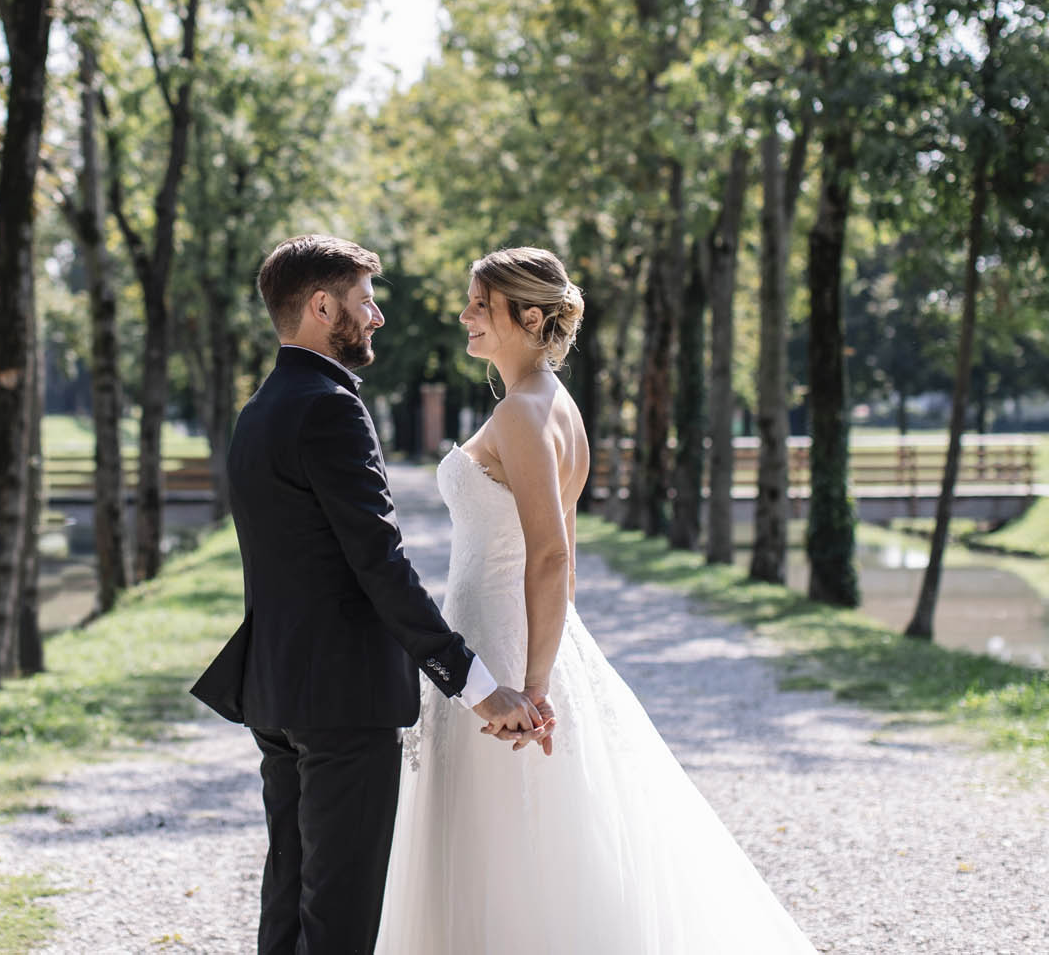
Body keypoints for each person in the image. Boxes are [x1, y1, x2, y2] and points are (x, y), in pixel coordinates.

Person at [375, 246, 817, 952]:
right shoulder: (556, 404)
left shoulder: (523, 411)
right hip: (521, 637)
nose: (464, 316)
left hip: (506, 649)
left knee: (501, 839)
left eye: (478, 305)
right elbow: (565, 557)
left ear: (525, 316)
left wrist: (532, 685)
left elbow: (551, 554)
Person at [191, 235, 546, 955]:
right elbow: (379, 565)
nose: (378, 315)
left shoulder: (257, 409)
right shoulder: (331, 407)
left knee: (288, 904)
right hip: (342, 703)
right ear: (323, 307)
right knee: (341, 923)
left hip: (277, 694)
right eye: (365, 300)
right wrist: (476, 684)